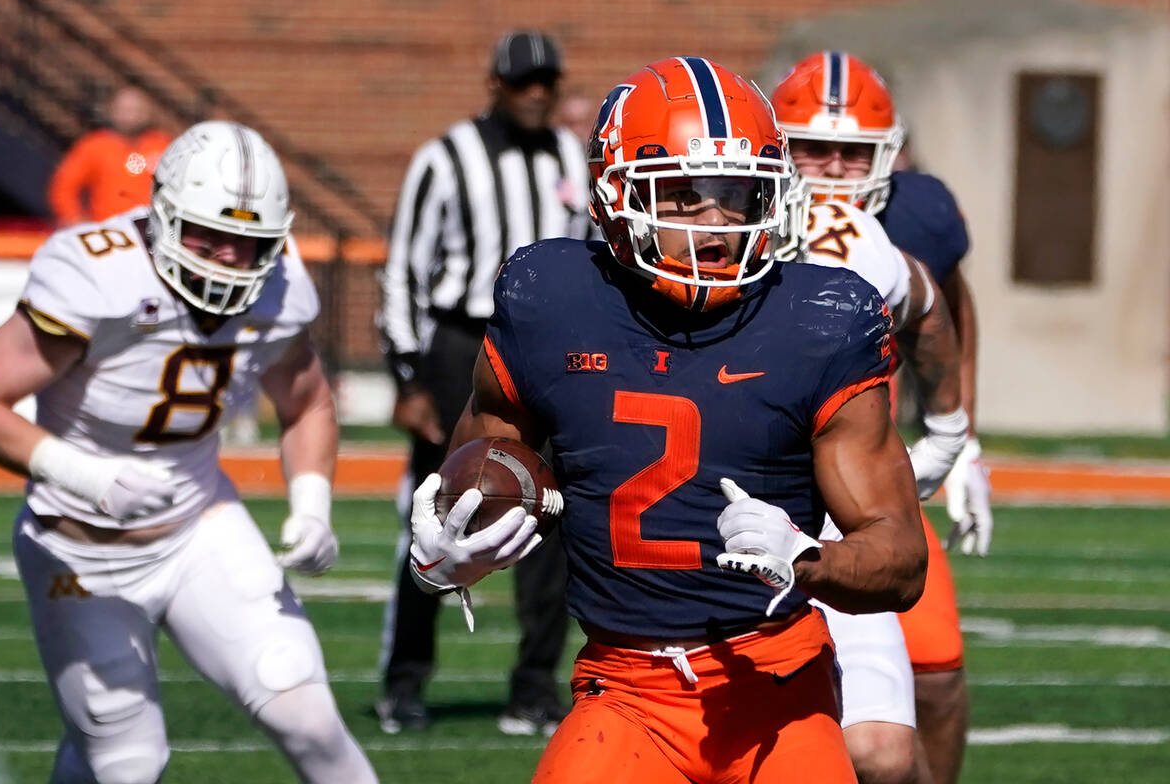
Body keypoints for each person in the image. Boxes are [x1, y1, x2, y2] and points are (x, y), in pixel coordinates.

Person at [407, 56, 928, 783]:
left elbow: (902, 557)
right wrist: (450, 549)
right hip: (623, 693)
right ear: (612, 197)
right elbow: (488, 454)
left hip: (775, 683)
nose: (718, 226)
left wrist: (808, 559)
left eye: (741, 196)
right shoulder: (551, 298)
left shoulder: (820, 320)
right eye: (684, 196)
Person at [0, 121, 377, 784]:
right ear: (160, 214)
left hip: (197, 528)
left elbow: (306, 401)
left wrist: (311, 505)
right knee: (125, 764)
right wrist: (86, 477)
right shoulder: (96, 273)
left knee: (303, 708)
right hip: (78, 551)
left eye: (247, 244)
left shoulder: (277, 285)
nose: (225, 260)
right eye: (206, 236)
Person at [772, 50, 992, 784]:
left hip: (867, 475)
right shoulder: (732, 213)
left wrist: (961, 442)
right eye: (813, 148)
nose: (833, 169)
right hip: (758, 477)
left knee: (935, 672)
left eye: (853, 152)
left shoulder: (916, 215)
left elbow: (949, 311)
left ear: (887, 156)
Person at [376, 29, 593, 736]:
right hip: (464, 342)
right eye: (524, 82)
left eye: (547, 83)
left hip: (551, 346)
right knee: (438, 507)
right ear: (495, 85)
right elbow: (406, 267)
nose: (536, 94)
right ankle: (404, 681)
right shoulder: (445, 158)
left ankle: (533, 688)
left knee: (547, 512)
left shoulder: (571, 155)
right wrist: (407, 374)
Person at [47, 85, 173, 226]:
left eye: (136, 110)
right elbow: (63, 187)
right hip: (107, 230)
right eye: (125, 110)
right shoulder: (94, 145)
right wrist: (74, 219)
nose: (130, 115)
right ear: (111, 111)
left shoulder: (163, 145)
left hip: (151, 230)